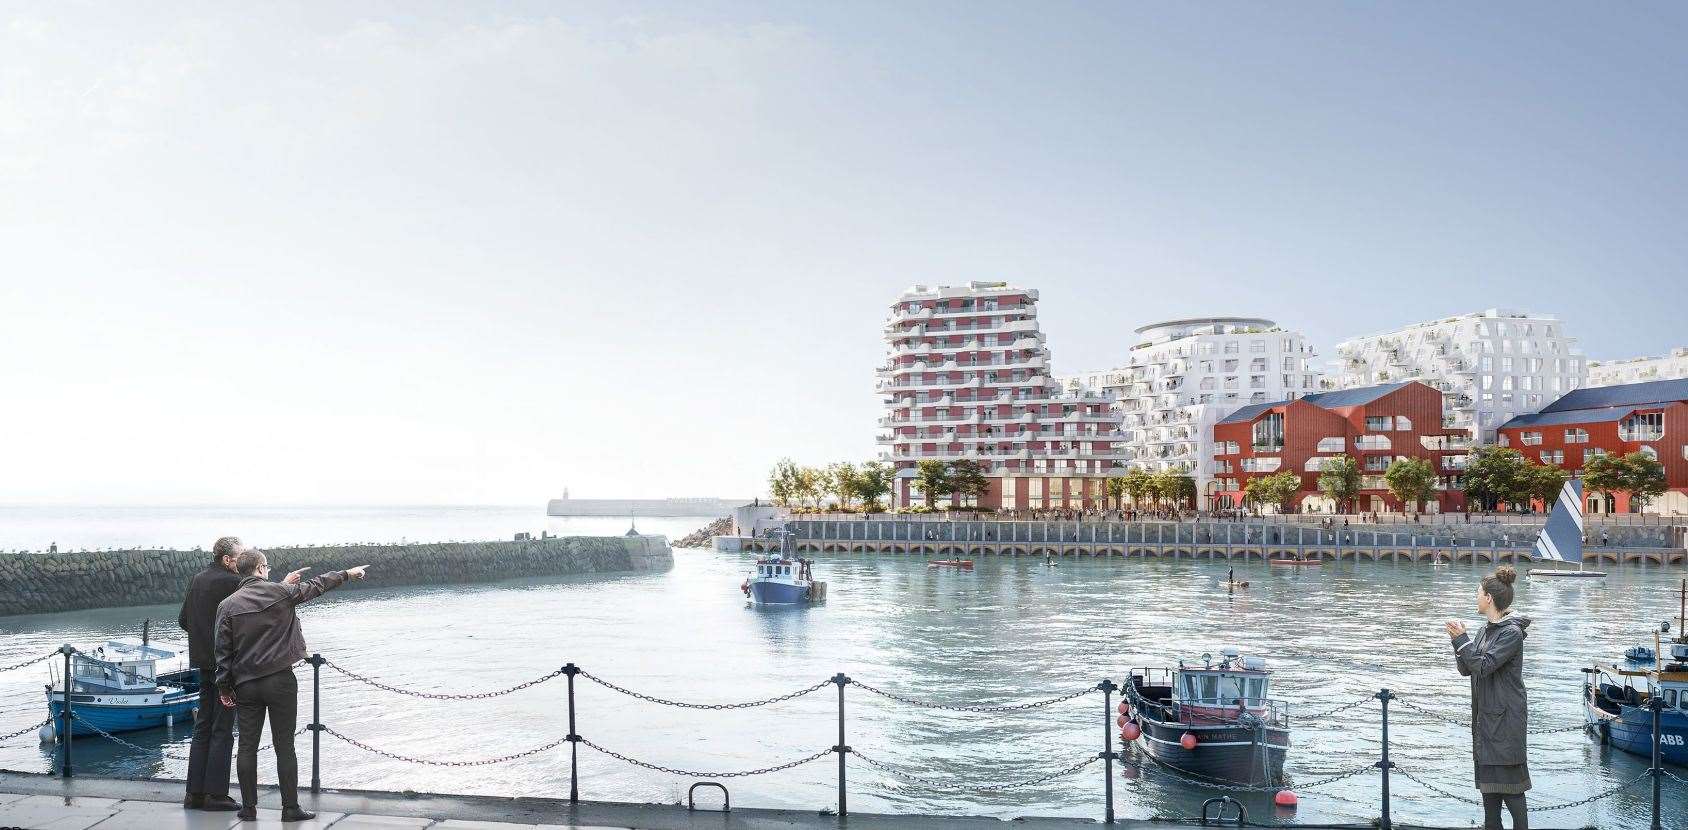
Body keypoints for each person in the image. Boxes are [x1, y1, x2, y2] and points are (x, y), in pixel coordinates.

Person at [216, 550, 367, 822]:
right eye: (267, 567)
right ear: (261, 568)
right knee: (284, 745)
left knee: (247, 746)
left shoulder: (227, 605)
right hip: (280, 681)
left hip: (246, 684)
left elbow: (222, 652)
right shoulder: (281, 593)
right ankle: (290, 808)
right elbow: (318, 585)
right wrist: (348, 573)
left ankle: (248, 808)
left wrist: (224, 688)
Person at [177, 536, 275, 812]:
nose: (243, 560)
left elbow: (184, 620)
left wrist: (205, 641)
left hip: (202, 662)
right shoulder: (233, 583)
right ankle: (216, 795)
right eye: (240, 556)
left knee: (203, 727)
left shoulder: (197, 579)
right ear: (227, 560)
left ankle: (194, 794)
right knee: (223, 729)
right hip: (226, 666)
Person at [1445, 565, 1531, 829]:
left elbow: (1484, 665)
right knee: (1489, 801)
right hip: (1485, 725)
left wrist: (1463, 641)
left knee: (1514, 798)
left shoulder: (1511, 633)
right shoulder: (1484, 631)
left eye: (1478, 592)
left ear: (1489, 598)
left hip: (1505, 727)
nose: (1476, 596)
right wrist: (1456, 641)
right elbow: (1466, 669)